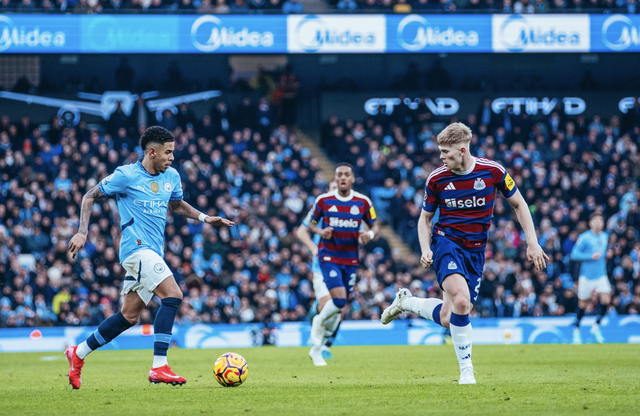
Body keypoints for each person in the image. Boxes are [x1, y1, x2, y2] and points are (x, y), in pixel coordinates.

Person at [65, 126, 235, 389]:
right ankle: (159, 366)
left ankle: (78, 354)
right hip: (136, 250)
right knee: (174, 296)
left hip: (154, 252)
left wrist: (204, 218)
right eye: (168, 152)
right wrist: (82, 232)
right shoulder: (126, 175)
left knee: (128, 316)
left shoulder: (172, 176)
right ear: (152, 152)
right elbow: (89, 196)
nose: (172, 157)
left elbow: (176, 205)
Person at [381, 123, 548, 385]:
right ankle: (466, 370)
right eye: (439, 152)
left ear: (462, 150)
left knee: (450, 317)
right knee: (462, 302)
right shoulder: (436, 178)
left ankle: (407, 303)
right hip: (446, 243)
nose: (441, 157)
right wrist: (426, 249)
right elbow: (425, 219)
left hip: (475, 250)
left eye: (445, 152)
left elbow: (519, 204)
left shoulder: (493, 171)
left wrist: (533, 243)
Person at [306, 164, 378, 366]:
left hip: (351, 260)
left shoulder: (362, 202)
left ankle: (321, 332)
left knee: (341, 304)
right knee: (338, 300)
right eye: (339, 175)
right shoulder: (324, 200)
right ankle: (318, 331)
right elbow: (310, 223)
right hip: (328, 257)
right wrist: (320, 233)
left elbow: (375, 225)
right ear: (335, 179)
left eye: (347, 175)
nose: (343, 178)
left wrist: (369, 235)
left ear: (353, 178)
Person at [296, 181, 342, 360]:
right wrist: (314, 248)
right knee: (328, 303)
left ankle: (326, 344)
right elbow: (302, 231)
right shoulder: (320, 210)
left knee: (339, 309)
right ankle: (320, 339)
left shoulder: (351, 211)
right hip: (322, 266)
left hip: (343, 266)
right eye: (333, 188)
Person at [570, 213, 610, 344]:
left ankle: (596, 326)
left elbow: (603, 253)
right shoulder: (584, 238)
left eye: (600, 221)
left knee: (606, 299)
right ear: (590, 223)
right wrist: (590, 256)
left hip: (601, 275)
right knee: (583, 303)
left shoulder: (605, 236)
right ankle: (576, 330)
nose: (598, 223)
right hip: (586, 276)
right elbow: (574, 254)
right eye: (595, 221)